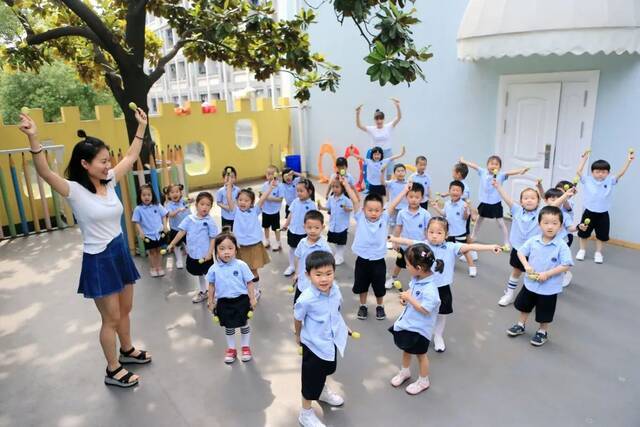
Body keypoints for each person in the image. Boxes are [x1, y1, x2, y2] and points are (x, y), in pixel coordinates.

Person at [17, 107, 151, 387]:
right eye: (102, 161)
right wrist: (34, 138)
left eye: (107, 160)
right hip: (99, 259)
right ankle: (113, 370)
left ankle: (126, 350)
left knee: (126, 309)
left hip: (119, 252)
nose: (108, 165)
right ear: (85, 164)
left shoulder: (110, 179)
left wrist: (141, 127)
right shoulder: (73, 191)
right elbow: (43, 172)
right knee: (110, 319)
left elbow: (130, 156)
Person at [390, 218, 502, 352]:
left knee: (441, 314)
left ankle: (438, 336)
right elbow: (408, 241)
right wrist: (393, 238)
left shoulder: (451, 247)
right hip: (423, 286)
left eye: (439, 233)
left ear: (446, 235)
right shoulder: (423, 245)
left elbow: (471, 246)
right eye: (431, 232)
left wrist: (491, 247)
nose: (434, 236)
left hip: (442, 288)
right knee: (420, 311)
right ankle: (420, 333)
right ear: (426, 232)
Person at [493, 180, 574, 306]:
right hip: (519, 248)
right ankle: (509, 293)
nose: (529, 200)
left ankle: (537, 296)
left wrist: (565, 196)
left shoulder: (541, 214)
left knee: (537, 273)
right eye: (525, 198)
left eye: (532, 198)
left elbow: (554, 206)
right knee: (516, 271)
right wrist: (498, 187)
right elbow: (506, 198)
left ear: (539, 201)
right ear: (521, 201)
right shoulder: (516, 210)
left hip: (536, 249)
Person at [294, 252, 350, 427]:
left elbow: (335, 310)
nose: (324, 279)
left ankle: (322, 392)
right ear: (308, 275)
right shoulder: (306, 299)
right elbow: (297, 318)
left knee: (327, 369)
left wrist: (342, 325)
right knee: (310, 381)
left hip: (330, 341)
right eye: (318, 274)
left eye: (328, 273)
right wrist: (298, 336)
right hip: (313, 345)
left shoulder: (336, 290)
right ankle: (306, 413)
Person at [506, 206, 574, 347]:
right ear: (539, 225)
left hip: (549, 288)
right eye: (546, 223)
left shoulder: (562, 246)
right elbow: (520, 252)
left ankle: (542, 331)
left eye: (554, 223)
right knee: (525, 306)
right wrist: (526, 266)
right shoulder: (533, 240)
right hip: (530, 283)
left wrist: (547, 274)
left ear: (560, 227)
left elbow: (566, 264)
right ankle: (520, 325)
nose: (550, 226)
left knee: (545, 312)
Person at [342, 174, 405, 320]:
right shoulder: (360, 216)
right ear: (364, 210)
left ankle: (380, 306)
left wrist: (405, 191)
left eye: (377, 210)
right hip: (362, 260)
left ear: (382, 210)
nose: (373, 213)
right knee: (362, 285)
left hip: (378, 261)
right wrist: (346, 185)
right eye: (370, 210)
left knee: (379, 287)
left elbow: (394, 203)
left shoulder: (384, 217)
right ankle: (363, 306)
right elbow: (355, 199)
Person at [388, 243, 441, 395]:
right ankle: (405, 372)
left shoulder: (430, 289)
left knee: (420, 355)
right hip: (408, 323)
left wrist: (410, 299)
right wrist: (406, 298)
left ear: (418, 268)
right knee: (406, 349)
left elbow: (425, 310)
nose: (406, 266)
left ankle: (424, 380)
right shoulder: (417, 278)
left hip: (420, 328)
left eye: (408, 264)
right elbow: (412, 291)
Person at [575, 149, 635, 264]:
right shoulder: (587, 180)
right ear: (592, 172)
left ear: (608, 173)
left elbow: (621, 174)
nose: (600, 174)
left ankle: (598, 253)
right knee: (583, 233)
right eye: (597, 171)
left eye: (604, 171)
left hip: (603, 213)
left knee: (601, 235)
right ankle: (582, 250)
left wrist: (628, 161)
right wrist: (584, 159)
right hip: (589, 212)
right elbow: (578, 171)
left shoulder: (610, 180)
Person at [206, 232, 257, 364]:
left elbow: (250, 282)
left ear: (235, 249)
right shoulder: (214, 268)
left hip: (241, 300)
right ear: (216, 250)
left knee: (244, 323)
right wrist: (210, 300)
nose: (226, 252)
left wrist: (252, 298)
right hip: (223, 302)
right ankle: (231, 349)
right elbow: (211, 285)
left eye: (230, 248)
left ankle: (245, 347)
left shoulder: (241, 265)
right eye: (222, 249)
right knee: (229, 326)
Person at [459, 155, 527, 246]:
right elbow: (474, 166)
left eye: (496, 164)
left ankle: (506, 241)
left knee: (501, 223)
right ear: (487, 165)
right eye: (492, 164)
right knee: (479, 220)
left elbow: (510, 173)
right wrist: (464, 161)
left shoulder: (501, 175)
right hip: (484, 202)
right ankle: (473, 236)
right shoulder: (483, 172)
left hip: (495, 203)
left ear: (499, 167)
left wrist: (520, 170)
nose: (494, 166)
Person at [166, 192, 219, 303]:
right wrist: (172, 244)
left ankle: (214, 293)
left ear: (211, 207)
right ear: (196, 205)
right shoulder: (189, 219)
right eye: (202, 204)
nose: (205, 207)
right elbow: (181, 233)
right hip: (194, 253)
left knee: (209, 274)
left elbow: (213, 238)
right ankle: (203, 292)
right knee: (199, 273)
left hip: (205, 254)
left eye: (208, 205)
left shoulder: (210, 221)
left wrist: (210, 253)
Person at [226, 178, 273, 299]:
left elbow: (262, 199)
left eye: (246, 200)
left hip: (254, 245)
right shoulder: (235, 211)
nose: (243, 202)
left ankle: (256, 291)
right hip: (240, 246)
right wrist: (229, 186)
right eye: (240, 199)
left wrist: (271, 187)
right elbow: (229, 199)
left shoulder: (255, 211)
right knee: (241, 270)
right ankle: (246, 289)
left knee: (253, 271)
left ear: (251, 203)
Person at [386, 182, 431, 289]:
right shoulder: (402, 213)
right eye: (411, 196)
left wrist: (429, 245)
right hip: (404, 246)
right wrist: (395, 242)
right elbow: (398, 228)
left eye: (417, 197)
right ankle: (393, 278)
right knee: (399, 264)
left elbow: (428, 231)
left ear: (422, 198)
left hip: (419, 248)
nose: (414, 199)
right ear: (406, 197)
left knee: (418, 267)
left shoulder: (425, 214)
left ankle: (416, 285)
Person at [430, 181, 476, 276]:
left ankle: (472, 267)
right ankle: (442, 264)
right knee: (445, 249)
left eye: (458, 190)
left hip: (460, 233)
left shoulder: (463, 204)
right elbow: (444, 214)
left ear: (462, 193)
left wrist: (466, 211)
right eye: (453, 190)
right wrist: (436, 207)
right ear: (449, 191)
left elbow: (465, 218)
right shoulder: (447, 204)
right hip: (449, 233)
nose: (455, 192)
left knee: (465, 251)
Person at [355, 98, 402, 179]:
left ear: (383, 119)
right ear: (374, 120)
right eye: (377, 119)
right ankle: (376, 189)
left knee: (389, 173)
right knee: (376, 172)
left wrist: (397, 106)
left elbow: (398, 118)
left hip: (387, 152)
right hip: (376, 154)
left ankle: (386, 190)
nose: (379, 121)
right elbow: (359, 125)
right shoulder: (372, 129)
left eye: (381, 118)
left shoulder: (388, 127)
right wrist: (357, 113)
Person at [293, 210, 332, 303]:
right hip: (302, 284)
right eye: (309, 227)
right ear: (304, 227)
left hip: (317, 287)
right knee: (298, 307)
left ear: (322, 227)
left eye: (316, 228)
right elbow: (298, 258)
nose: (312, 231)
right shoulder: (302, 243)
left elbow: (330, 265)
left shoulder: (324, 246)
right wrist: (296, 273)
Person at [132, 184, 168, 277]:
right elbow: (136, 222)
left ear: (152, 196)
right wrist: (141, 232)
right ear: (140, 196)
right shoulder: (138, 209)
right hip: (148, 235)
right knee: (151, 252)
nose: (146, 197)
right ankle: (153, 268)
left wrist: (165, 226)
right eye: (144, 195)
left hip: (159, 233)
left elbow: (164, 215)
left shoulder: (157, 205)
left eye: (149, 195)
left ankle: (159, 267)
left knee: (159, 250)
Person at [282, 178, 317, 276]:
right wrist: (286, 225)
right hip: (293, 231)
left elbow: (315, 221)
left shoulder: (312, 205)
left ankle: (304, 268)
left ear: (309, 191)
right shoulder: (295, 201)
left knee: (305, 251)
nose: (299, 193)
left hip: (304, 233)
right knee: (292, 249)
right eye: (297, 191)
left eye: (301, 191)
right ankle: (292, 266)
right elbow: (290, 214)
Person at [318, 178, 353, 265]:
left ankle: (340, 256)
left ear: (342, 188)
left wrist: (346, 208)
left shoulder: (345, 199)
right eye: (333, 187)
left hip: (342, 225)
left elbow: (351, 208)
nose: (334, 189)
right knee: (336, 241)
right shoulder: (331, 198)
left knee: (341, 242)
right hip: (333, 224)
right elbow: (329, 207)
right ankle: (337, 255)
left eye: (337, 187)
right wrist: (321, 207)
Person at [164, 183, 190, 269]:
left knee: (189, 243)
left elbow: (189, 202)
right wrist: (178, 210)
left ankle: (190, 257)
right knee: (176, 245)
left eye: (177, 191)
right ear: (168, 195)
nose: (175, 194)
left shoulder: (183, 200)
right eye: (172, 192)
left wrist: (191, 200)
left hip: (187, 228)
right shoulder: (168, 205)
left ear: (180, 193)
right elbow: (170, 214)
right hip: (176, 229)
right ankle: (179, 260)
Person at [261, 165, 284, 251]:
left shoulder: (280, 186)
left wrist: (269, 198)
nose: (270, 176)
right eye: (268, 174)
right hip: (265, 210)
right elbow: (262, 195)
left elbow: (280, 199)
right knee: (266, 227)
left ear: (277, 175)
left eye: (272, 174)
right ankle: (267, 241)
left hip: (274, 211)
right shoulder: (264, 185)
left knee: (276, 228)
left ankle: (278, 243)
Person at [216, 165, 240, 230]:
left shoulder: (238, 190)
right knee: (227, 235)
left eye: (232, 177)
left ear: (235, 178)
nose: (230, 179)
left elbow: (239, 201)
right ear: (223, 178)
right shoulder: (220, 191)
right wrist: (226, 207)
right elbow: (218, 202)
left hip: (236, 216)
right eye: (227, 177)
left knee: (236, 232)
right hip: (225, 217)